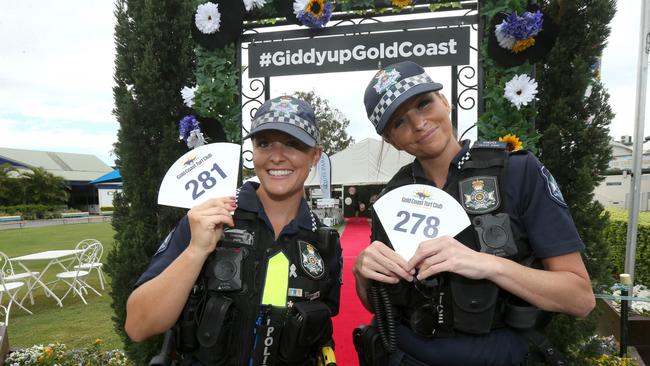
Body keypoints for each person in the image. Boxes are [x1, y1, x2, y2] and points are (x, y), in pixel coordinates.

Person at [352, 61, 595, 366]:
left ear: (444, 101)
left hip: (499, 355)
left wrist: (487, 265)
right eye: (399, 122)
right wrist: (363, 275)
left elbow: (580, 298)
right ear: (391, 140)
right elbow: (381, 308)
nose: (418, 124)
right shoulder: (391, 198)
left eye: (424, 104)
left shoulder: (518, 173)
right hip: (408, 355)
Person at [125, 96, 343, 366]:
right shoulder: (210, 218)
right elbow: (138, 325)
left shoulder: (323, 242)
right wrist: (196, 251)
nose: (277, 156)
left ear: (315, 156)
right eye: (265, 144)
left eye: (293, 144)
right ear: (253, 152)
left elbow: (321, 336)